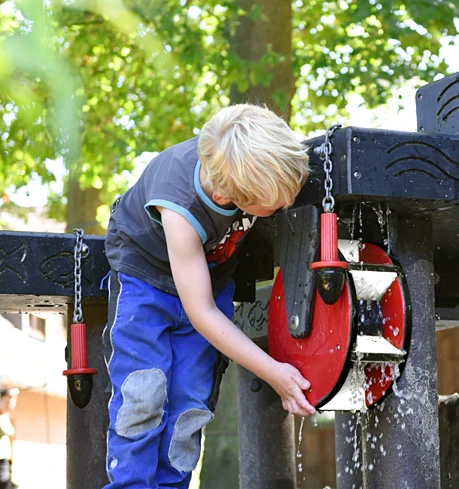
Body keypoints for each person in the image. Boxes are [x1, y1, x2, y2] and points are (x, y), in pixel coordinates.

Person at [102, 104, 317, 489]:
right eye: (272, 204)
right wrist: (274, 373)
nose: (283, 207)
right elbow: (201, 313)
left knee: (190, 403)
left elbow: (202, 300)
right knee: (143, 393)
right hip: (146, 277)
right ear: (225, 192)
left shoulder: (246, 168)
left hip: (209, 277)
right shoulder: (179, 204)